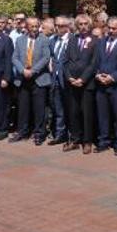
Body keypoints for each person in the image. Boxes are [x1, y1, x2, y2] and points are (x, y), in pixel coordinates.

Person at [94, 16, 117, 155]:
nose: (110, 30)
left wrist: (113, 77)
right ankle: (103, 141)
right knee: (102, 115)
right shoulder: (101, 42)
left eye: (114, 28)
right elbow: (96, 60)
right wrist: (97, 74)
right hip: (101, 85)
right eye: (109, 27)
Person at [11, 17, 51, 145]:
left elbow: (46, 58)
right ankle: (22, 131)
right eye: (31, 26)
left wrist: (33, 71)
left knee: (39, 108)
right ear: (26, 27)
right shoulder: (20, 40)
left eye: (36, 26)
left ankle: (39, 133)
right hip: (23, 78)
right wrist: (22, 70)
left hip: (39, 78)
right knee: (23, 107)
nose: (34, 29)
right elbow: (15, 57)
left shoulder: (44, 40)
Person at [63, 14, 99, 154]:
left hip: (86, 84)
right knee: (73, 112)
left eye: (85, 24)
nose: (83, 27)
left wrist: (82, 79)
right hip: (72, 83)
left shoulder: (95, 41)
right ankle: (75, 139)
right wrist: (69, 77)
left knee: (87, 113)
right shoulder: (72, 40)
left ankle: (87, 141)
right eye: (80, 24)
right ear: (76, 26)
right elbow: (65, 61)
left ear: (89, 25)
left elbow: (93, 63)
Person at [47, 15, 71, 146]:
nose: (57, 28)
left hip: (67, 80)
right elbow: (51, 55)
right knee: (58, 109)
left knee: (70, 109)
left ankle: (71, 135)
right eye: (56, 25)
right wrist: (50, 61)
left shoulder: (72, 40)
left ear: (67, 27)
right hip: (55, 79)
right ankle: (60, 134)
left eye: (61, 26)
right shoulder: (52, 40)